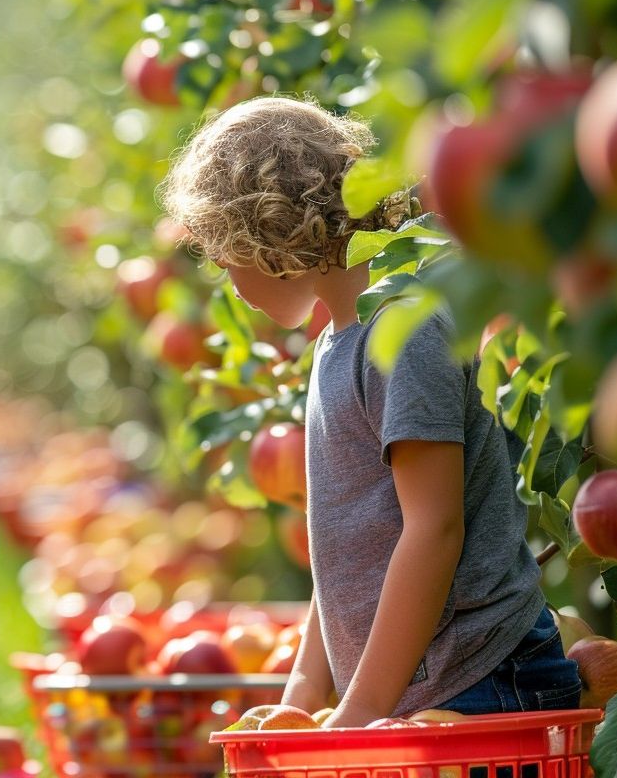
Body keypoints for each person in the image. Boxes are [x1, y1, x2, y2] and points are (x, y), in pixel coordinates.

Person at [161, 96, 580, 725]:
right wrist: (303, 695)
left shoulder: (403, 337)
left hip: (483, 684)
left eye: (225, 255)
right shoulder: (341, 342)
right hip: (418, 696)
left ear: (267, 233)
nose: (226, 274)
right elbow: (346, 552)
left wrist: (358, 710)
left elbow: (434, 530)